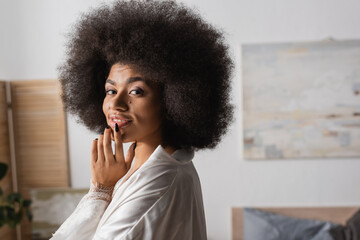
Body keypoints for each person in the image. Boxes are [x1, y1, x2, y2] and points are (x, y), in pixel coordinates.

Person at [51, 0, 233, 239]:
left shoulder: (156, 186)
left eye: (136, 91)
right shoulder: (172, 163)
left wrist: (100, 192)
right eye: (110, 90)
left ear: (171, 100)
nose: (115, 104)